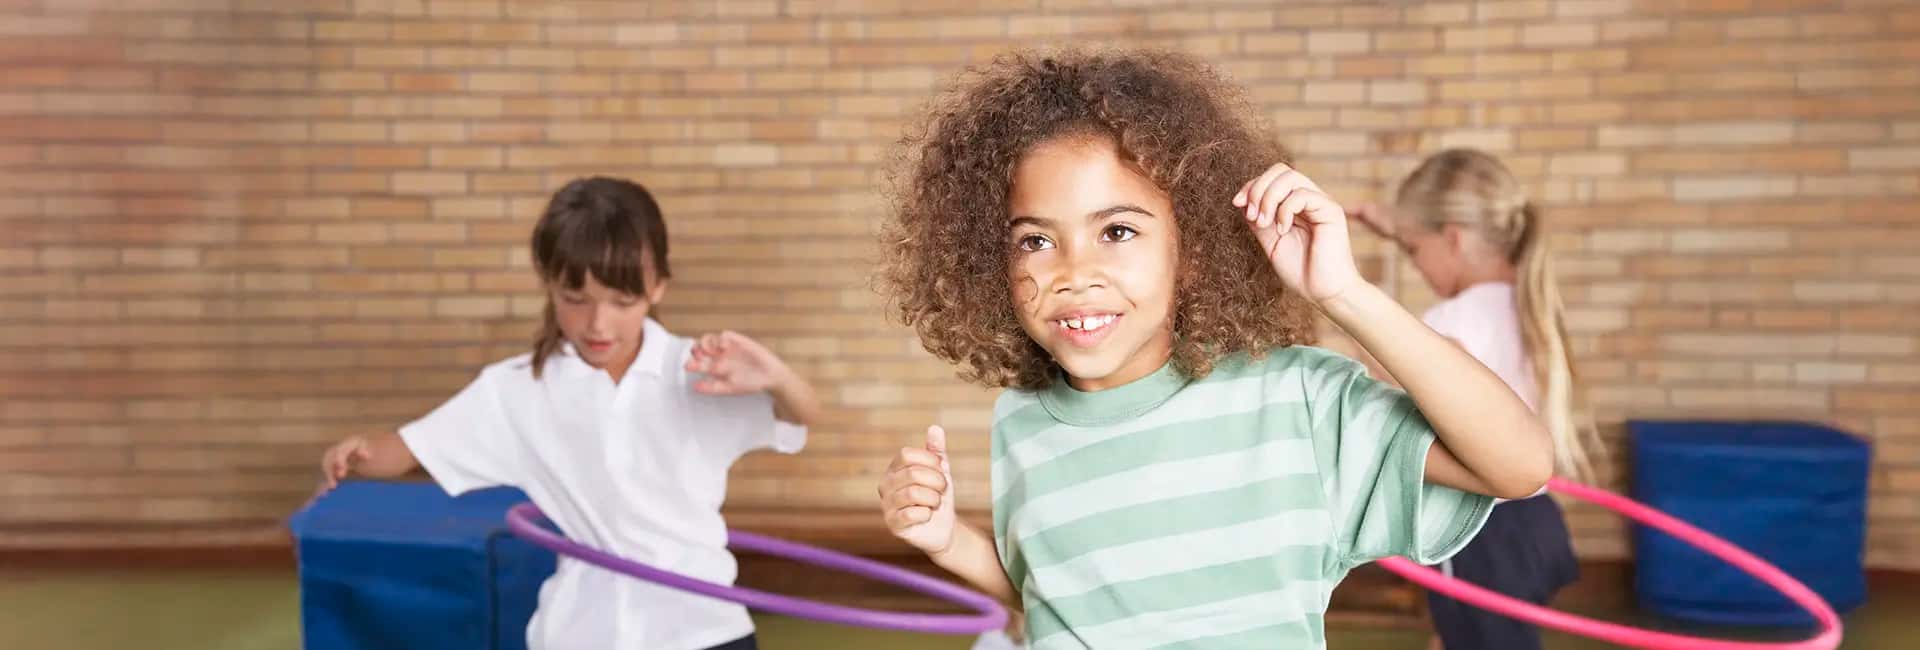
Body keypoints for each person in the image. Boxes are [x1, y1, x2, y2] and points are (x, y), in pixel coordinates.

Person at [871, 49, 1553, 648]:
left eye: (1116, 232)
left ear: (1191, 250)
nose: (1073, 273)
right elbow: (1061, 596)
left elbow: (1520, 466)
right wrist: (949, 541)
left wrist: (1345, 294)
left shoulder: (1294, 403)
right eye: (1036, 240)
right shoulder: (1021, 421)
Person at [316, 176, 823, 650]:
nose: (598, 324)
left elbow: (802, 416)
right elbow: (410, 449)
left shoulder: (699, 371)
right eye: (576, 299)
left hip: (703, 630)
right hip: (585, 632)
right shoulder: (516, 391)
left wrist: (777, 377)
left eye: (621, 301)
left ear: (658, 287)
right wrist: (360, 453)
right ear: (549, 284)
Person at [1348, 149, 1597, 650]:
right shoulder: (1529, 305)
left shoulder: (1452, 321)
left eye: (1414, 250)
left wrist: (1354, 318)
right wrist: (1404, 230)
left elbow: (1401, 384)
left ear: (1454, 239)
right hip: (1535, 524)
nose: (1416, 265)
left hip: (1482, 531)